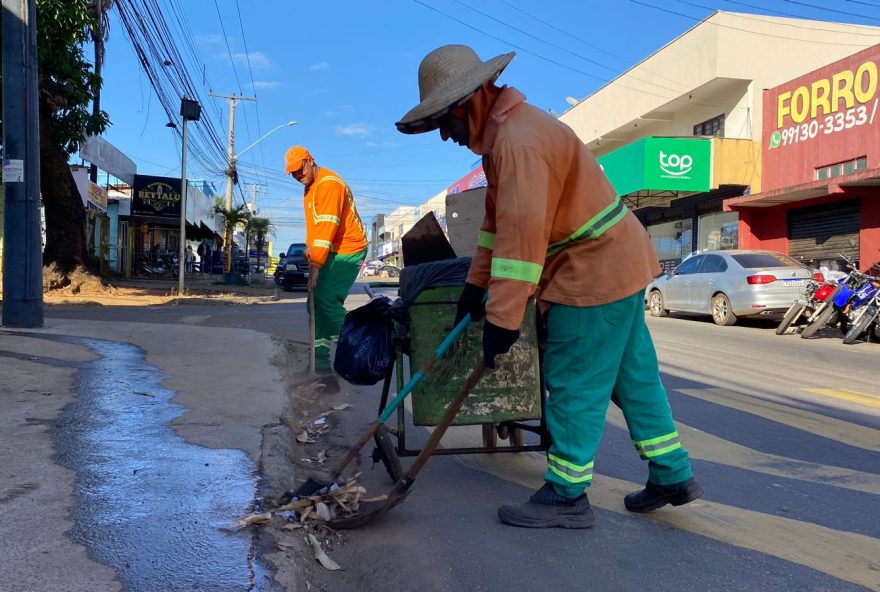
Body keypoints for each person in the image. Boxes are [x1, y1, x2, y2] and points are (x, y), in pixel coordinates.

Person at [396, 45, 702, 528]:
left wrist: (502, 320)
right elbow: (497, 227)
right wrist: (476, 288)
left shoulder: (518, 143)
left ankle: (566, 494)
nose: (444, 136)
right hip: (616, 262)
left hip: (593, 269)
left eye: (443, 123)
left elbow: (521, 247)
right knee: (633, 377)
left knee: (573, 382)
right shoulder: (508, 137)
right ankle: (671, 473)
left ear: (464, 105)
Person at [284, 146, 368, 389]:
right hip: (330, 249)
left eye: (299, 170)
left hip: (347, 249)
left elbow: (328, 227)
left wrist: (317, 264)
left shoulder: (329, 184)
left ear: (310, 161)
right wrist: (313, 260)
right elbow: (315, 230)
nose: (297, 176)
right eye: (292, 174)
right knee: (314, 304)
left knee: (325, 299)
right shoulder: (310, 189)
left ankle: (359, 345)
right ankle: (320, 367)